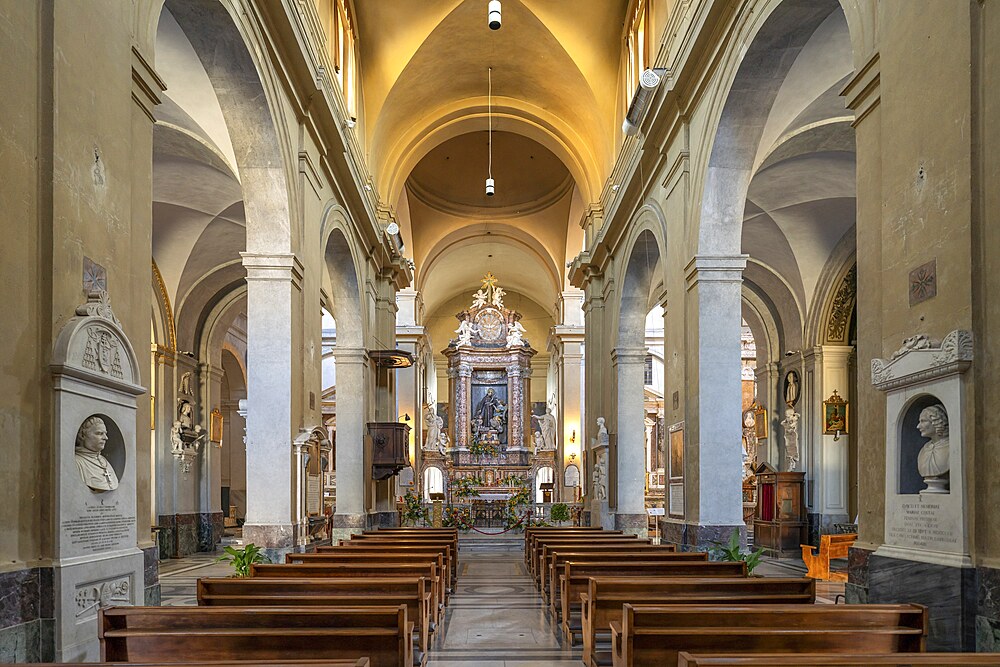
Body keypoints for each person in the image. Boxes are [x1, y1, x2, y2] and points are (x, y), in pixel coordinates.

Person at [75, 416, 119, 491]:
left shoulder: (105, 462)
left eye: (105, 433)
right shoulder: (77, 462)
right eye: (99, 433)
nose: (105, 438)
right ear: (83, 435)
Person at [916, 404, 950, 478]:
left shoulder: (951, 448)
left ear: (937, 421)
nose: (918, 426)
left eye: (923, 421)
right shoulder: (924, 450)